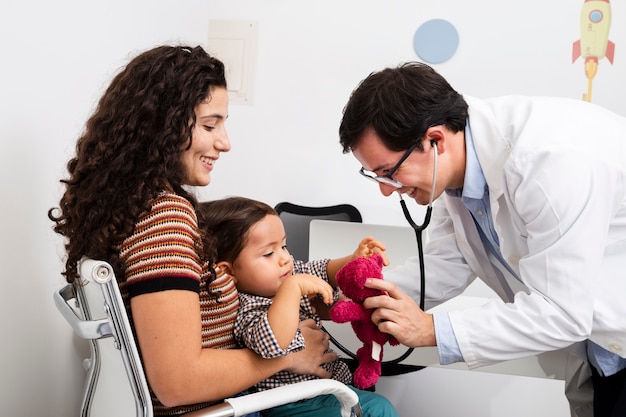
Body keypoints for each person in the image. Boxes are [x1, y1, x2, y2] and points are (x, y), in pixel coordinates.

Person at [48, 45, 336, 416]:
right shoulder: (164, 216)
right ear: (161, 126)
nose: (225, 142)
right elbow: (177, 383)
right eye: (209, 125)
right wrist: (287, 357)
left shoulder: (128, 207)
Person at [337, 61, 626, 417]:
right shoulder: (457, 168)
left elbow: (562, 313)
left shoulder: (548, 163)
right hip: (601, 351)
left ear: (434, 140)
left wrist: (431, 329)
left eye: (389, 173)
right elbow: (450, 262)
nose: (386, 190)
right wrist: (352, 296)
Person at [197, 196, 399, 417]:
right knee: (377, 409)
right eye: (268, 253)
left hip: (325, 392)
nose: (285, 258)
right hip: (290, 404)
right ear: (229, 272)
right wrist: (292, 289)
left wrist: (353, 258)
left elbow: (324, 270)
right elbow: (271, 344)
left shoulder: (286, 277)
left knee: (379, 406)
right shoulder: (247, 306)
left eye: (284, 246)